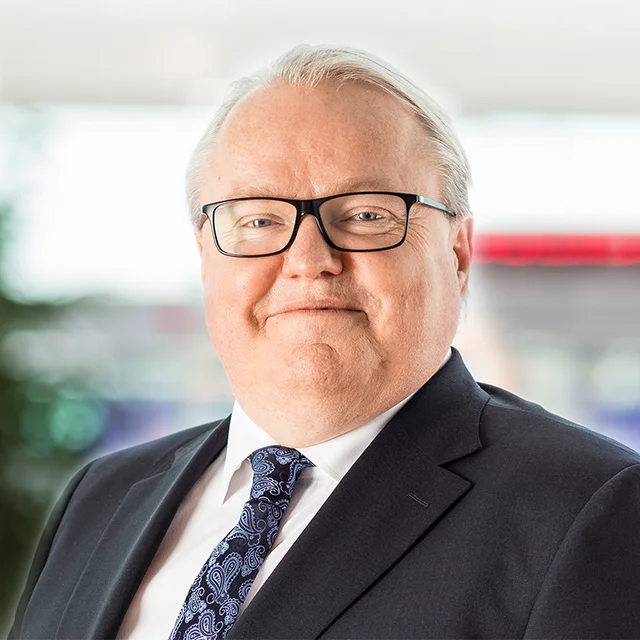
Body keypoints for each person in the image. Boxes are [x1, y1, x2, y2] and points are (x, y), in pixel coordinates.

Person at [10, 44, 640, 640]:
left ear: (457, 253)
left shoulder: (589, 507)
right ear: (205, 256)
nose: (309, 260)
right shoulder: (103, 496)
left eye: (366, 215)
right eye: (258, 219)